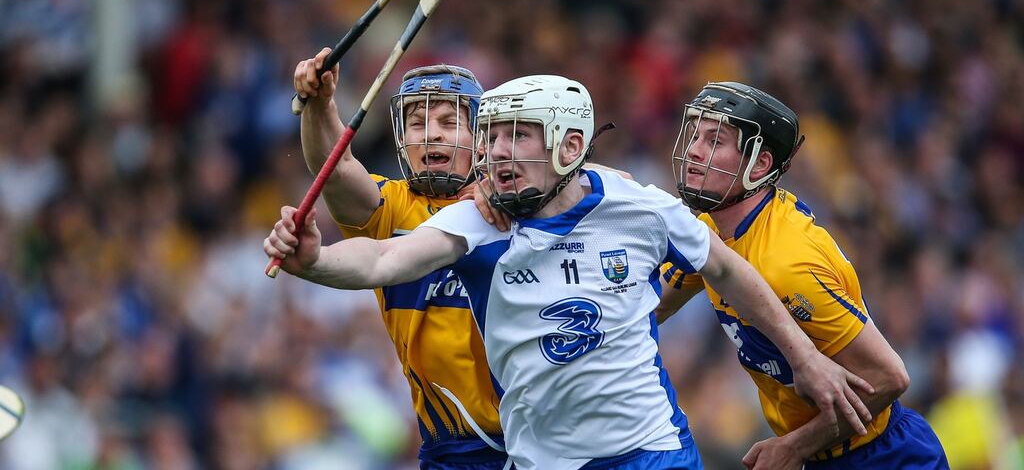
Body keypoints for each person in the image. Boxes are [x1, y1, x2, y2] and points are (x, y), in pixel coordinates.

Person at [267, 74, 875, 470]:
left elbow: (727, 268)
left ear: (568, 144)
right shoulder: (480, 222)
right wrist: (316, 262)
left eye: (519, 136)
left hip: (653, 452)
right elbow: (384, 258)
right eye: (494, 137)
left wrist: (804, 358)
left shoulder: (637, 206)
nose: (500, 151)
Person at [656, 82, 949, 470]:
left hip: (881, 457)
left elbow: (889, 376)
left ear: (759, 165)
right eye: (695, 134)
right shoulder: (711, 230)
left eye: (715, 140)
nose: (693, 149)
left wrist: (794, 447)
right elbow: (651, 304)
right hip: (818, 454)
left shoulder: (787, 263)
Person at [291, 48, 507, 469]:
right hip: (455, 450)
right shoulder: (393, 206)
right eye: (417, 123)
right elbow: (334, 170)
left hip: (543, 439)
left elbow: (601, 185)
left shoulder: (516, 202)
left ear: (480, 137)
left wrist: (501, 187)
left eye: (448, 123)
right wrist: (320, 104)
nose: (431, 134)